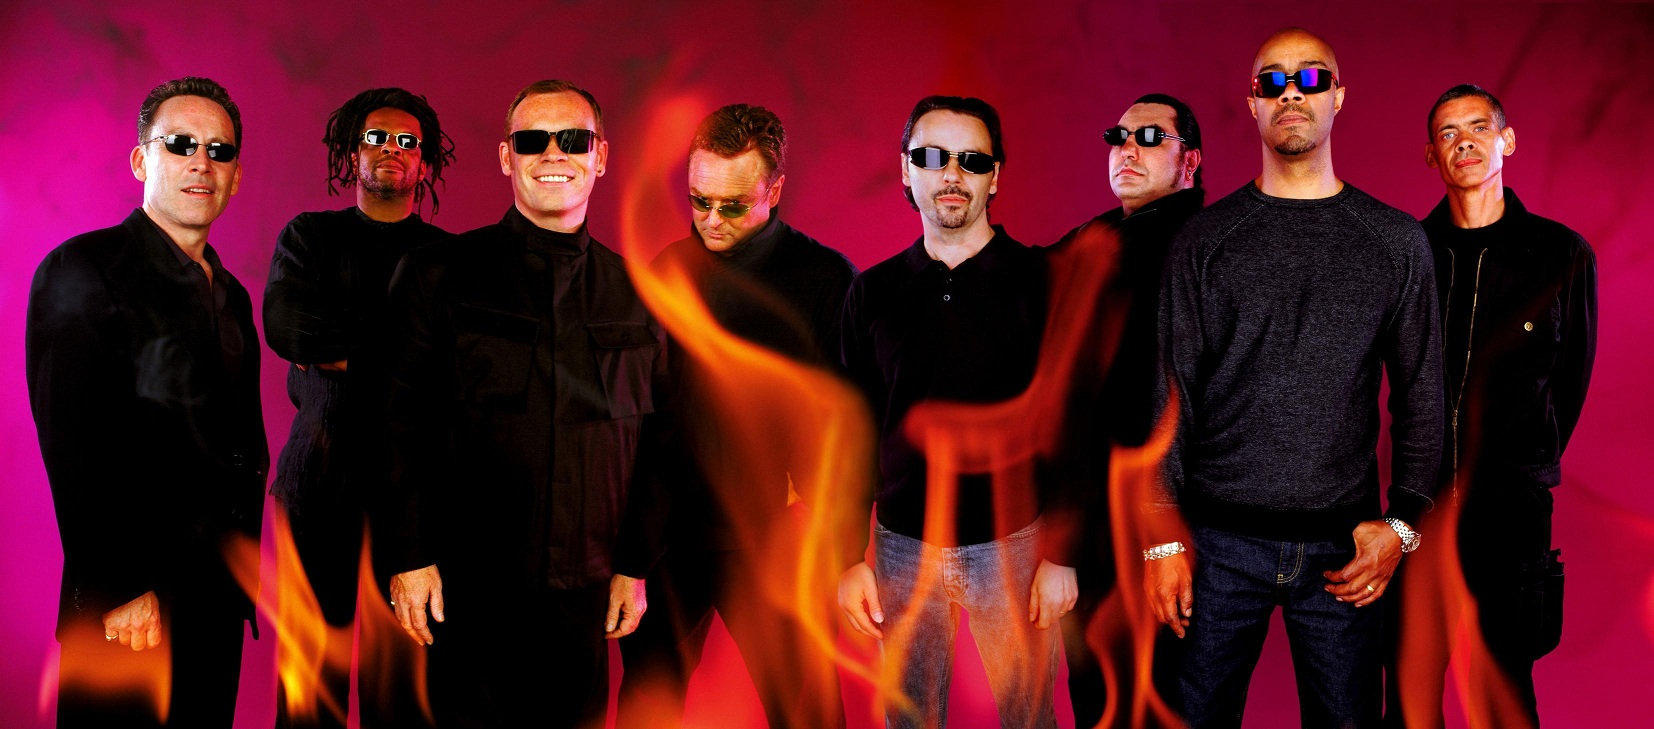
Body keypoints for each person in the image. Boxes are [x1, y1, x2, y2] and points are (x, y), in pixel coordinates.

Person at [1145, 28, 1443, 728]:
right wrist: (1162, 537)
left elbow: (1424, 397)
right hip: (1215, 547)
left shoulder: (1395, 241)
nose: (1291, 93)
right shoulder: (1203, 241)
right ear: (1252, 103)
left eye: (1311, 78)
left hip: (1345, 552)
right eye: (1272, 81)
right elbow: (1167, 397)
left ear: (1338, 97)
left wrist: (1402, 527)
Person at [382, 79, 667, 729]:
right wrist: (408, 555)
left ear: (600, 156)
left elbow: (660, 443)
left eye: (573, 140)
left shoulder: (640, 295)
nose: (553, 154)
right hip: (464, 589)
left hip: (585, 597)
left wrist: (634, 564)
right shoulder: (437, 274)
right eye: (533, 140)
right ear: (507, 157)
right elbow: (393, 422)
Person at [26, 76, 266, 728]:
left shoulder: (233, 297)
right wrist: (119, 584)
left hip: (216, 600)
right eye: (180, 143)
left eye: (219, 150)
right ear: (140, 160)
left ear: (236, 176)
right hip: (128, 605)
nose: (201, 162)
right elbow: (72, 442)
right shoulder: (83, 269)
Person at [616, 104, 854, 728]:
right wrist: (631, 554)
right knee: (646, 709)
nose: (711, 220)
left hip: (778, 541)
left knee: (808, 712)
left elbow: (852, 417)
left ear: (775, 189)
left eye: (733, 205)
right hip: (671, 542)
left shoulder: (826, 279)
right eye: (699, 202)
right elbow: (638, 421)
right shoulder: (667, 272)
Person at [838, 95, 1070, 729]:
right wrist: (846, 557)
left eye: (972, 160)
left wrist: (1065, 553)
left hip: (1015, 545)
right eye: (932, 157)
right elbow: (853, 432)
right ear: (905, 169)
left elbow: (1077, 426)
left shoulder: (1044, 283)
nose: (952, 175)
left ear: (995, 177)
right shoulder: (872, 293)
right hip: (901, 547)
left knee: (1030, 720)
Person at [1392, 83, 1597, 728]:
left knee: (1504, 693)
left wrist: (1523, 464)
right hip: (1415, 511)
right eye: (1448, 133)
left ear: (1506, 140)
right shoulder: (1409, 252)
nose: (1465, 143)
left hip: (1512, 515)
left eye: (1479, 127)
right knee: (1407, 695)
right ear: (1432, 154)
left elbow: (1570, 383)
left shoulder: (1560, 254)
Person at [263, 87, 454, 729]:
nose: (391, 149)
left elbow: (461, 366)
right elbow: (289, 328)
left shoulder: (448, 258)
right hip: (317, 485)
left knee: (404, 689)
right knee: (310, 687)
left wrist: (341, 348)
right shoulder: (310, 236)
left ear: (424, 163)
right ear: (351, 153)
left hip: (415, 496)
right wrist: (408, 353)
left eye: (407, 142)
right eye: (376, 137)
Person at [1049, 93, 1204, 729]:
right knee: (1100, 699)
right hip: (1091, 520)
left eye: (1150, 137)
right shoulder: (1095, 239)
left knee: (1160, 700)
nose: (1128, 150)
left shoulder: (1205, 244)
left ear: (1190, 160)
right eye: (1118, 137)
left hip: (1168, 523)